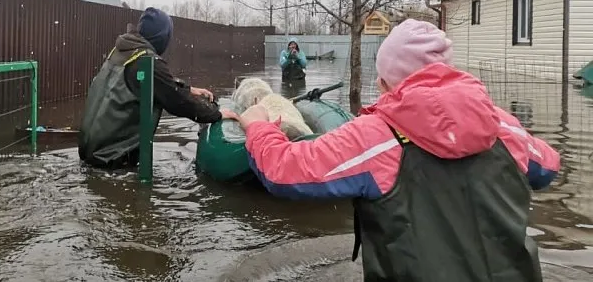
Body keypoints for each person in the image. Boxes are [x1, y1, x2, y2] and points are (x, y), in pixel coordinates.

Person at [238, 19, 561, 282]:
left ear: (384, 84)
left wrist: (258, 126)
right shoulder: (504, 127)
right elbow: (547, 167)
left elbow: (283, 170)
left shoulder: (373, 137)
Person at [78, 7, 238, 168]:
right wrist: (216, 114)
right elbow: (178, 102)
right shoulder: (148, 61)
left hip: (91, 150)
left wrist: (188, 89)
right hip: (113, 158)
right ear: (163, 37)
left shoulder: (123, 51)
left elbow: (156, 83)